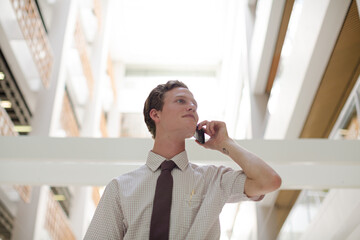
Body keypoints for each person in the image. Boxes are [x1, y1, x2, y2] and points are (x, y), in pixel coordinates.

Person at [84, 80, 281, 239]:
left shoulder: (214, 179)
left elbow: (269, 181)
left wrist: (226, 143)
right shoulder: (120, 188)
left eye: (194, 105)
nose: (192, 108)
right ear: (155, 114)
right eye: (181, 101)